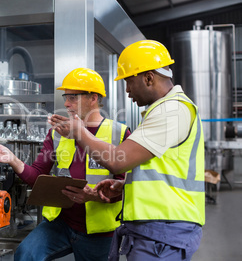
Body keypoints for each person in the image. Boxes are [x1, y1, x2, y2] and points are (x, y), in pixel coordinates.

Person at [49, 40, 205, 261]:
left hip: (163, 231)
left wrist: (79, 133)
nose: (127, 90)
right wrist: (125, 187)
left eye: (129, 82)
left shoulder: (172, 111)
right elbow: (162, 170)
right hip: (156, 229)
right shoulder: (164, 110)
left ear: (149, 78)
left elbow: (117, 161)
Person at [0, 67, 131, 261]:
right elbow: (37, 176)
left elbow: (128, 188)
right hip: (60, 224)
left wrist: (94, 196)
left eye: (73, 97)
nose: (66, 103)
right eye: (65, 97)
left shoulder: (119, 133)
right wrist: (12, 159)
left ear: (93, 98)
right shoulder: (57, 133)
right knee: (26, 254)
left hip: (100, 231)